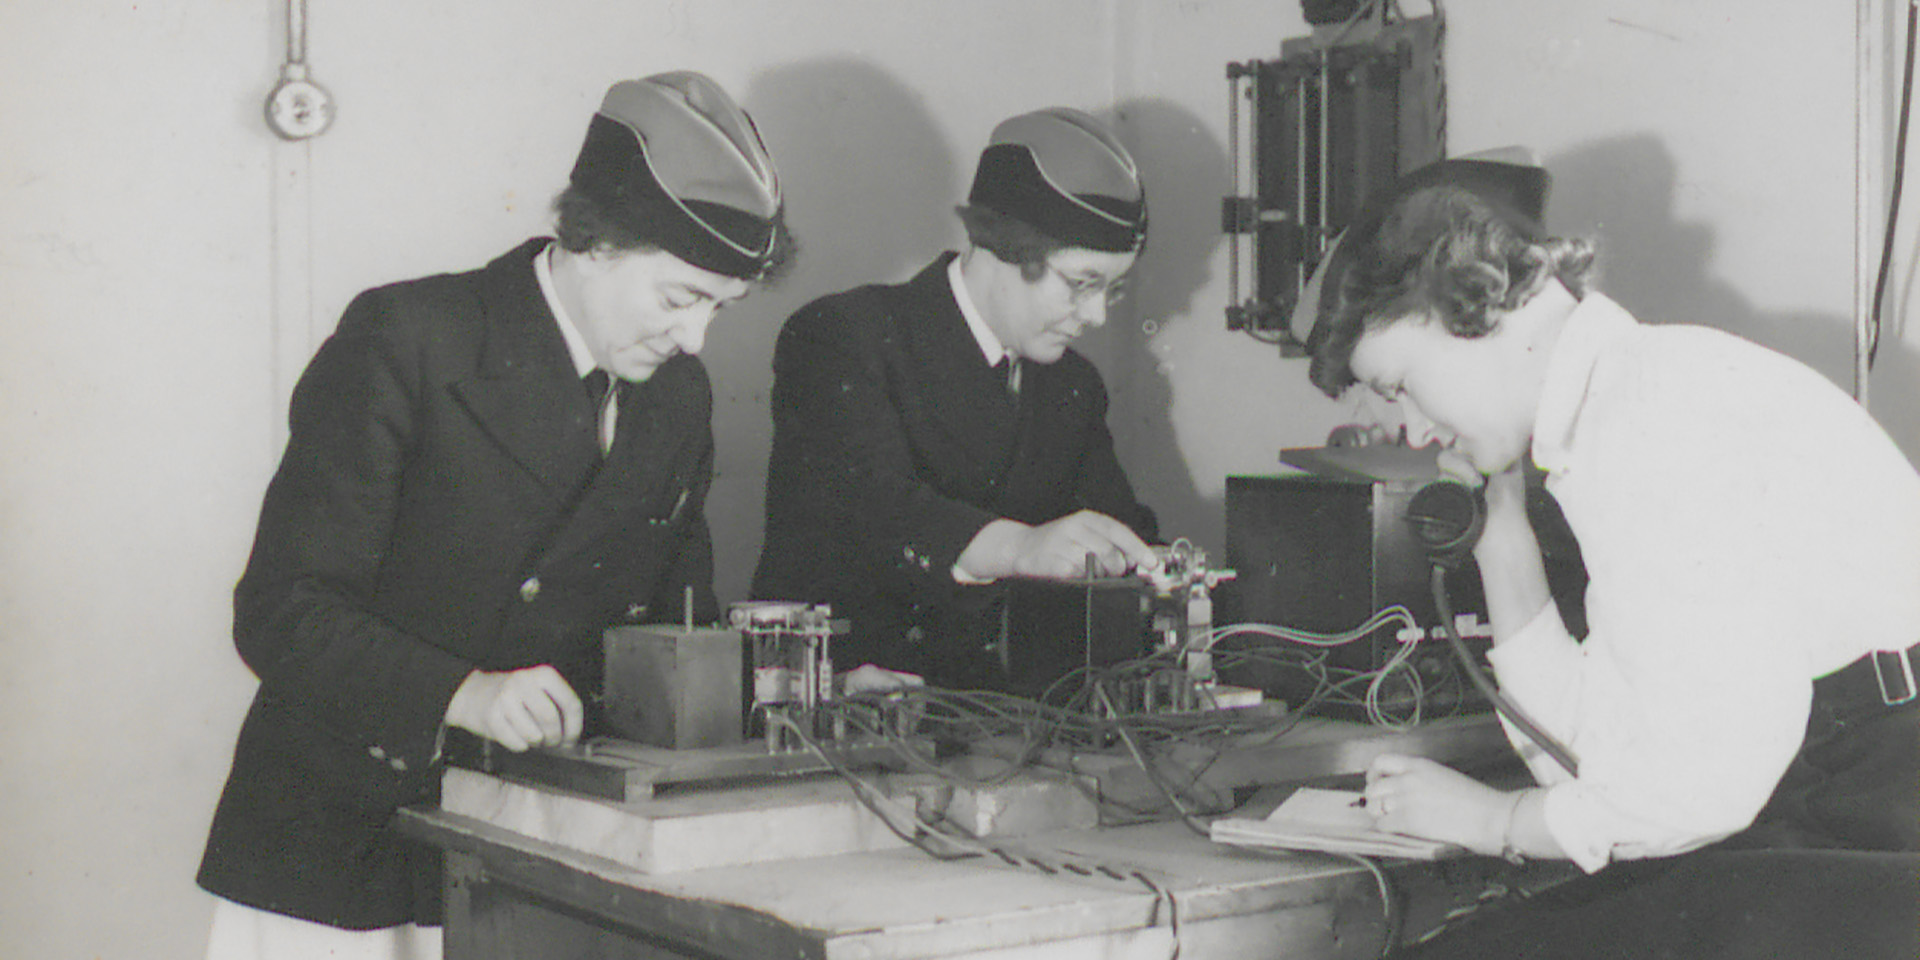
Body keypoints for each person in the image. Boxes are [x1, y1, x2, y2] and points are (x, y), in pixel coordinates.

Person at [195, 72, 792, 959]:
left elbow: (676, 622)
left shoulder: (676, 400)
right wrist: (464, 693)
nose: (697, 339)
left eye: (721, 307)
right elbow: (282, 612)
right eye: (680, 299)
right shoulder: (408, 337)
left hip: (535, 855)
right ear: (596, 242)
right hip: (344, 853)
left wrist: (780, 688)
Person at [1299, 153, 1920, 958]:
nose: (1413, 430)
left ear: (1475, 303)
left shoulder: (1652, 417)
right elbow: (1598, 760)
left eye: (1400, 384)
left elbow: (1701, 788)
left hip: (1881, 810)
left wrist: (1497, 821)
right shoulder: (1620, 405)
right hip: (1846, 792)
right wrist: (1504, 540)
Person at [751, 107, 1160, 694]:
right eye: (1081, 285)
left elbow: (1116, 526)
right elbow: (878, 505)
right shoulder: (844, 338)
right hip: (850, 701)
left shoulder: (1072, 387)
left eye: (1112, 291)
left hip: (1003, 723)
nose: (1095, 316)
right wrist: (1021, 546)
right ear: (1002, 248)